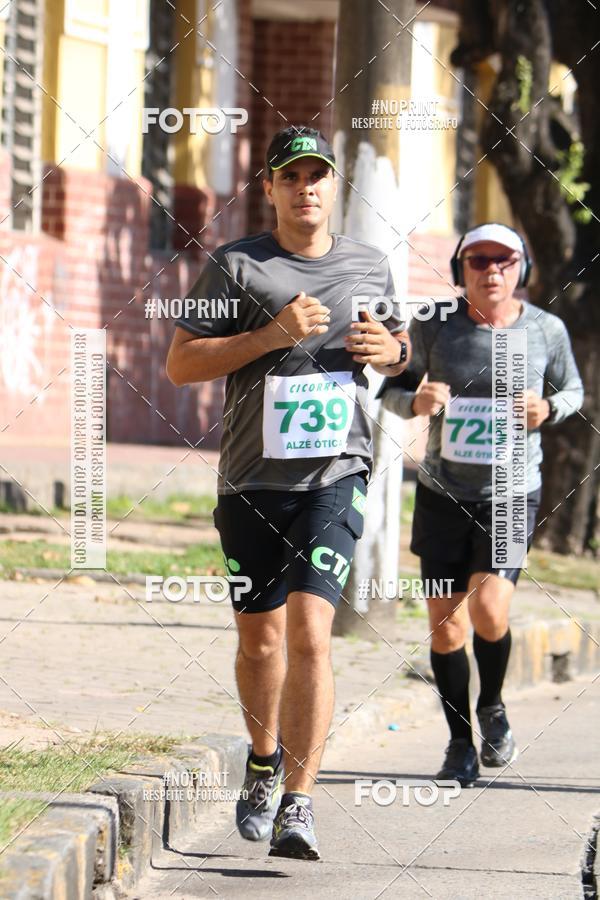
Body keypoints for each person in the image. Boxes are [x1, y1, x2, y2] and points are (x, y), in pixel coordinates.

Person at [166, 125, 410, 859]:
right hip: (251, 480)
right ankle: (263, 760)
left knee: (310, 634)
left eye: (318, 176)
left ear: (335, 187)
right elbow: (181, 365)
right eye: (291, 176)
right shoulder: (237, 265)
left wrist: (393, 355)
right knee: (260, 641)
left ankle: (298, 804)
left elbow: (400, 356)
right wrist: (270, 335)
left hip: (337, 474)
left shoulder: (370, 265)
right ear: (269, 188)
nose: (306, 188)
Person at [379, 222, 583, 786]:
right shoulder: (435, 326)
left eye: (504, 261)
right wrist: (414, 398)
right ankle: (459, 744)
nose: (491, 271)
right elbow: (392, 393)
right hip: (443, 492)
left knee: (490, 610)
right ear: (461, 269)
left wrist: (550, 410)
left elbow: (574, 390)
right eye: (478, 261)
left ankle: (491, 704)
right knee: (445, 630)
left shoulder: (546, 329)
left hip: (513, 492)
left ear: (522, 269)